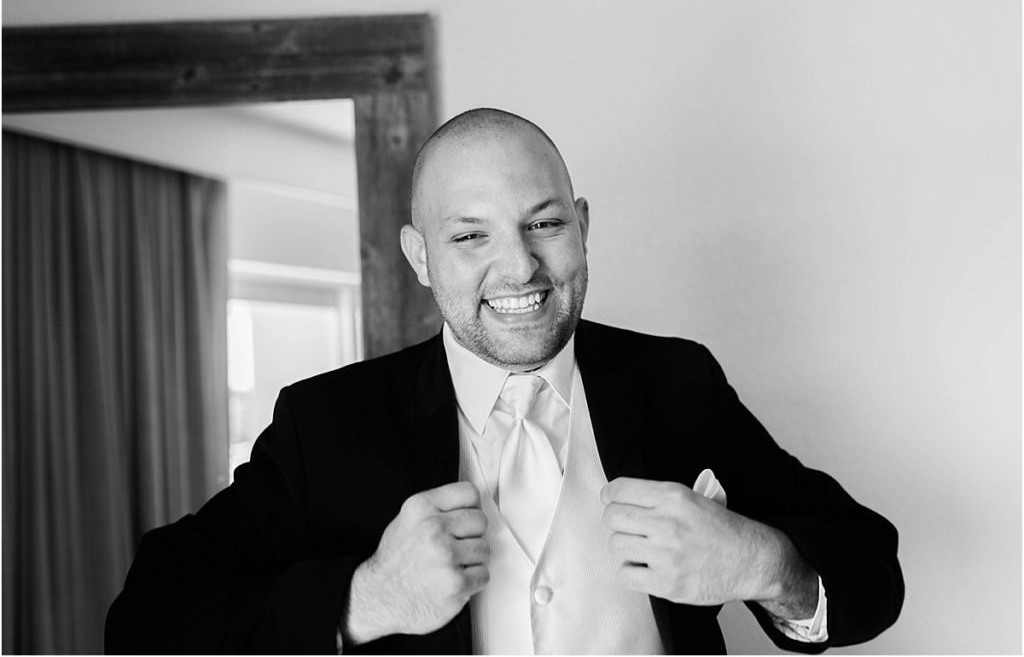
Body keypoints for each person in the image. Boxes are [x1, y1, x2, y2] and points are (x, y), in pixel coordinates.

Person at [106, 108, 904, 654]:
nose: (519, 266)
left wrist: (762, 565)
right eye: (470, 235)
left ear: (582, 228)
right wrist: (364, 599)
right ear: (421, 257)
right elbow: (146, 617)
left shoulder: (676, 383)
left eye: (545, 223)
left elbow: (874, 571)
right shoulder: (328, 423)